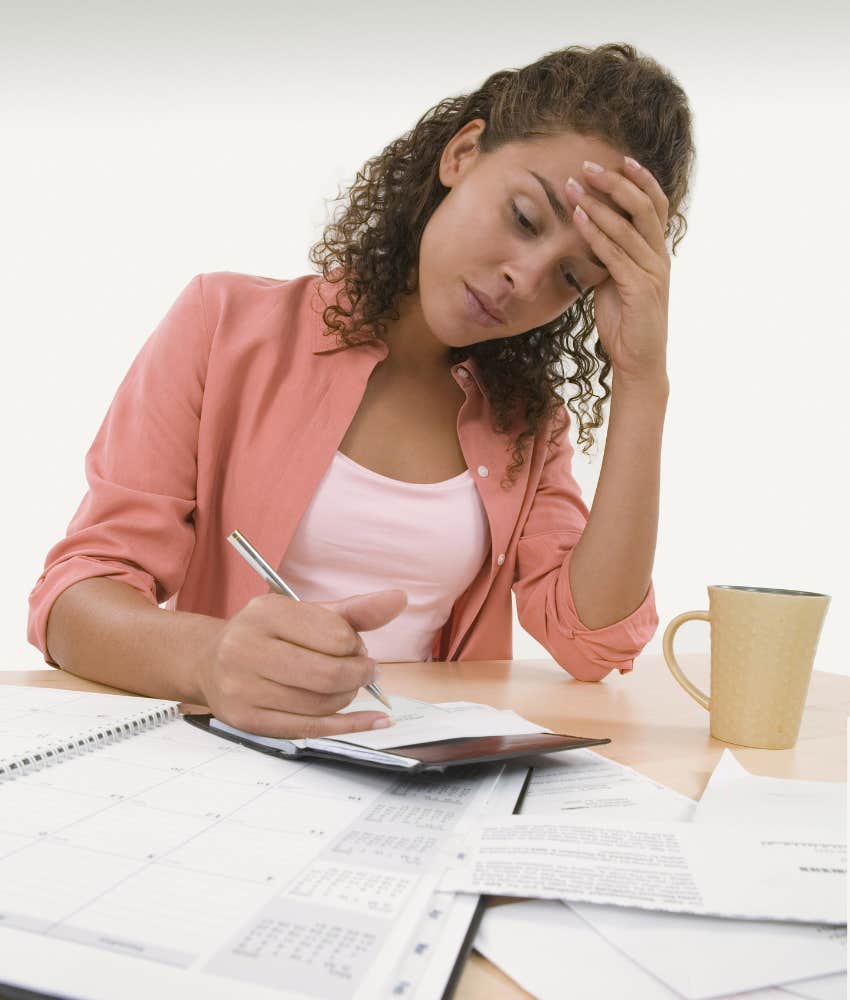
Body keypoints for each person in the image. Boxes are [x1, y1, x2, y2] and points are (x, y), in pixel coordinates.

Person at [28, 42, 696, 738]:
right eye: (525, 217)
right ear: (462, 154)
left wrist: (643, 380)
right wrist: (211, 660)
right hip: (233, 766)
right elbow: (73, 602)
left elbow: (592, 643)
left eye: (570, 279)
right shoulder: (223, 326)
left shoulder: (526, 424)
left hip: (420, 781)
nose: (524, 278)